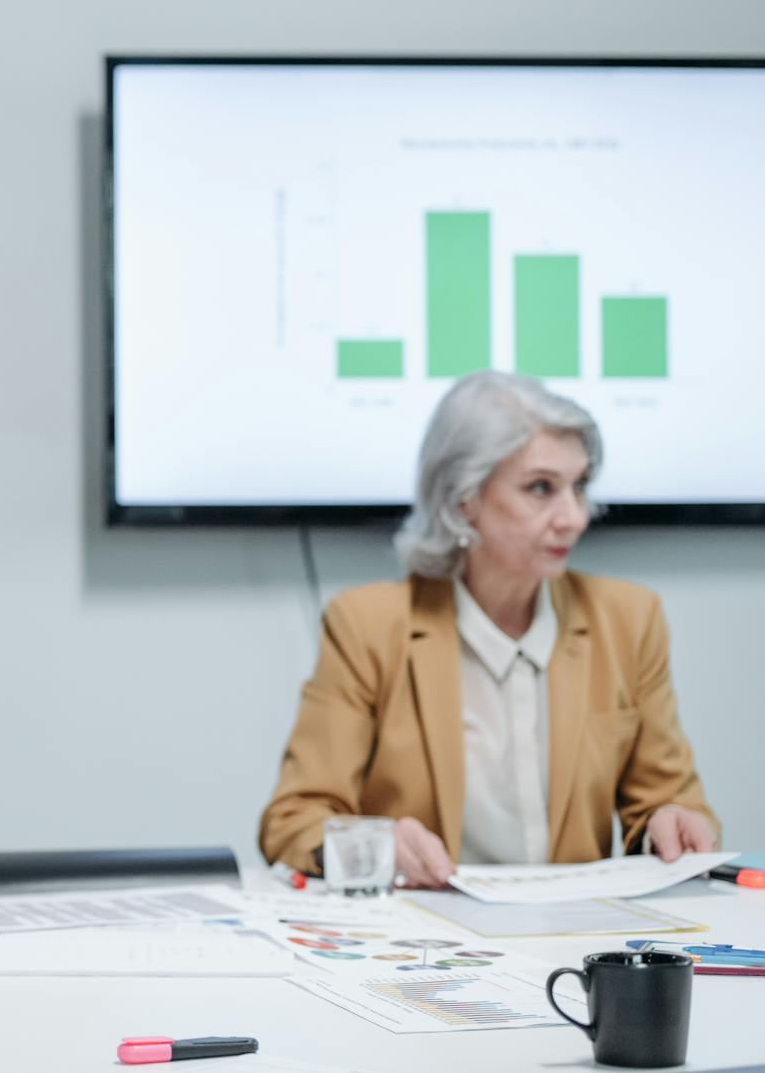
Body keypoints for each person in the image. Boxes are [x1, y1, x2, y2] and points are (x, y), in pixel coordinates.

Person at [259, 371, 718, 889]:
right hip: (422, 945)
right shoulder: (367, 625)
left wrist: (668, 824)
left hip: (576, 939)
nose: (574, 518)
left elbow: (668, 800)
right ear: (463, 500)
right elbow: (293, 819)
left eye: (580, 486)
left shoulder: (629, 619)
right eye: (541, 488)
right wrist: (377, 848)